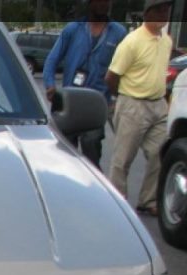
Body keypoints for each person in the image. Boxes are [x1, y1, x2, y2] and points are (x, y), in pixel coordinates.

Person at [106, 0, 173, 216]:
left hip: (158, 104)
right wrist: (122, 98)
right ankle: (118, 200)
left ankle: (148, 199)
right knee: (123, 157)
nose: (164, 15)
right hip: (133, 103)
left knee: (159, 154)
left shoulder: (166, 40)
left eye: (166, 10)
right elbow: (111, 76)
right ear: (147, 14)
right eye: (159, 10)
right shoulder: (131, 42)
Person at [43, 0, 126, 168]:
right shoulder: (73, 29)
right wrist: (50, 84)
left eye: (108, 1)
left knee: (91, 149)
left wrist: (117, 97)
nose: (104, 4)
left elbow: (125, 67)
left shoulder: (118, 32)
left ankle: (92, 180)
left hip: (96, 103)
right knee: (64, 154)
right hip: (70, 101)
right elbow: (52, 60)